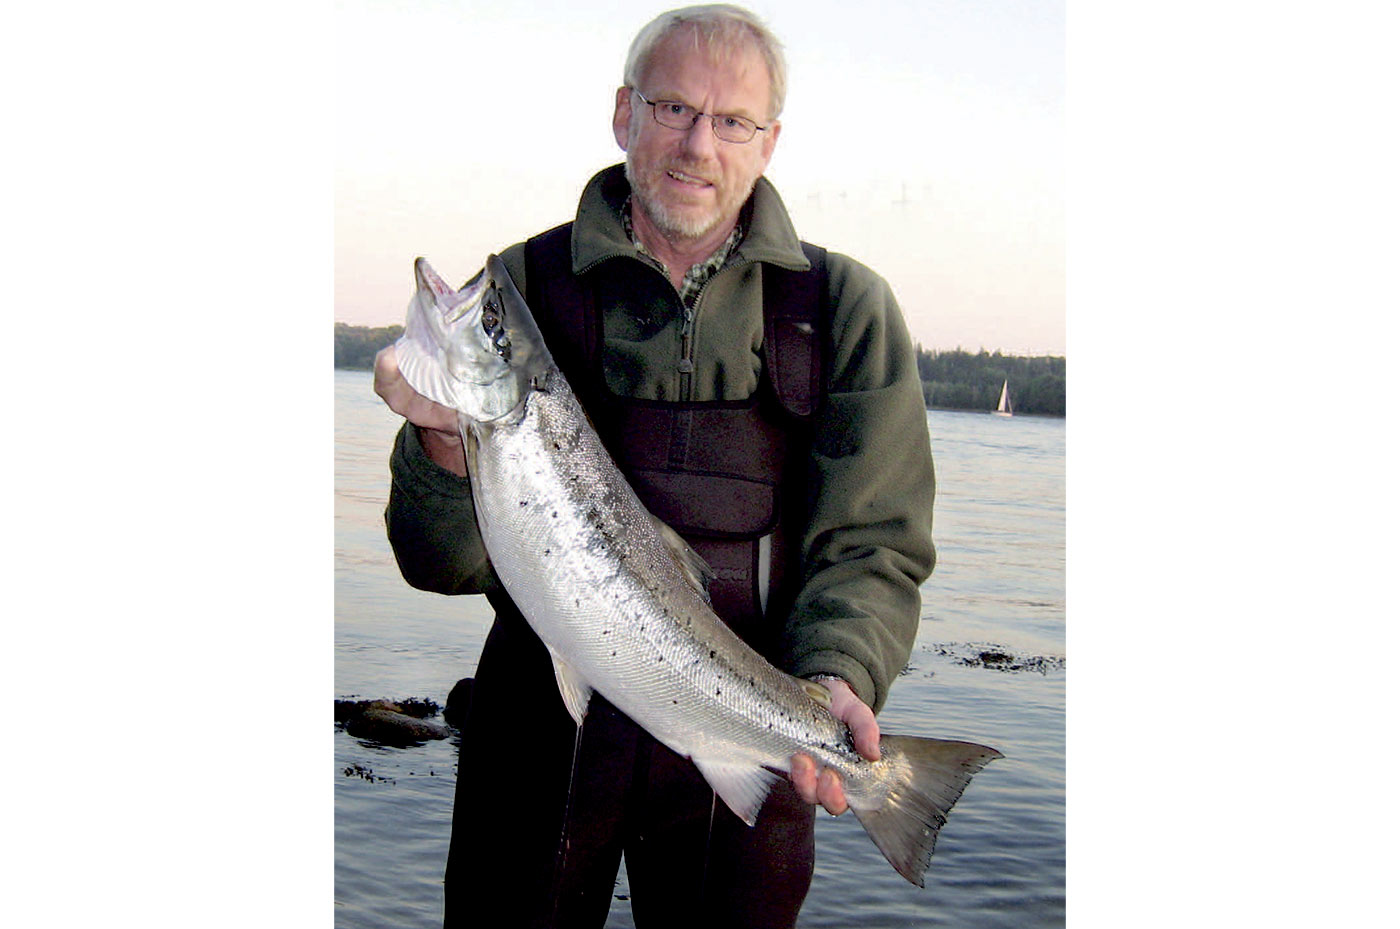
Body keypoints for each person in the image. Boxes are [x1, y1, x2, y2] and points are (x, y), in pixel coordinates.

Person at [373, 5, 935, 927]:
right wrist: (443, 444)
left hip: (745, 734)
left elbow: (874, 543)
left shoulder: (847, 311)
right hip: (534, 736)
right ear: (624, 113)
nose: (696, 144)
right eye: (671, 108)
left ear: (771, 142)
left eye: (731, 121)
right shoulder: (522, 285)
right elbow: (436, 564)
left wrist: (839, 671)